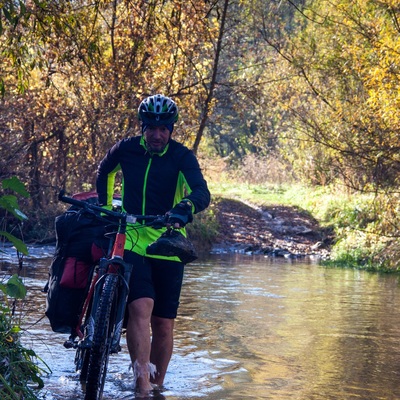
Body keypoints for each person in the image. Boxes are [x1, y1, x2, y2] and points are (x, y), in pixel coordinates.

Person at [96, 94, 211, 395]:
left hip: (167, 243)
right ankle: (141, 383)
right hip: (132, 236)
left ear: (171, 128)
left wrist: (185, 207)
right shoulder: (126, 149)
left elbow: (201, 192)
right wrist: (108, 206)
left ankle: (157, 385)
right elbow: (104, 171)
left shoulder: (182, 156)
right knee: (141, 307)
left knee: (163, 323)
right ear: (143, 126)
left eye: (163, 128)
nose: (157, 134)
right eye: (151, 128)